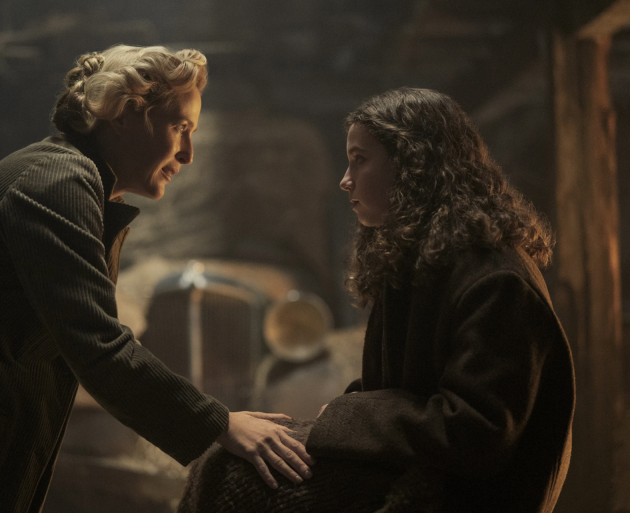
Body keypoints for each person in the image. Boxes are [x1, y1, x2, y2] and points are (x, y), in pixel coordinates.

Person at [0, 45, 313, 513]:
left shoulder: (78, 180)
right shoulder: (59, 181)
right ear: (124, 115)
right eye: (179, 127)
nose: (187, 153)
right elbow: (99, 347)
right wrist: (220, 425)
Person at [177, 88, 574, 513]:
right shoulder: (425, 260)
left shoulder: (496, 280)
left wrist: (344, 417)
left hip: (464, 493)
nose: (345, 180)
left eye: (360, 160)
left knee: (242, 485)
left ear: (412, 165)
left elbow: (476, 434)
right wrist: (333, 421)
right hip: (416, 467)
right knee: (223, 462)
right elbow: (392, 392)